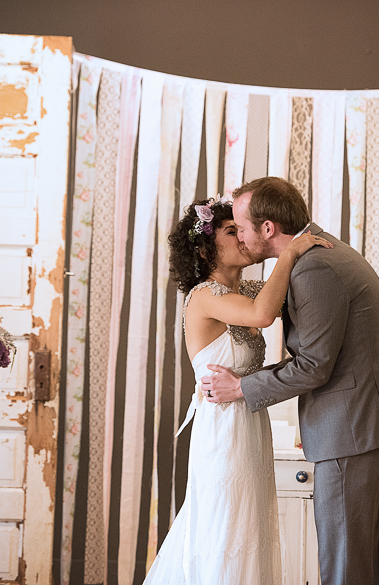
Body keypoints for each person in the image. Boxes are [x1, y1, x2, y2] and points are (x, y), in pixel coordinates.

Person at [201, 177, 379, 585]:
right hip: (371, 428)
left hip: (352, 433)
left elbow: (314, 366)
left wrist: (240, 387)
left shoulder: (314, 266)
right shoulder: (318, 252)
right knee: (360, 565)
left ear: (268, 228)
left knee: (344, 571)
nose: (242, 237)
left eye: (242, 227)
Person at [142, 198, 331, 585]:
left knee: (250, 528)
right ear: (204, 248)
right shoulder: (204, 295)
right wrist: (291, 250)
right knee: (225, 528)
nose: (244, 237)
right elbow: (264, 313)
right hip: (222, 431)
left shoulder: (242, 288)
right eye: (233, 231)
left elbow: (285, 297)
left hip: (249, 421)